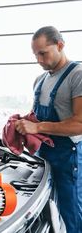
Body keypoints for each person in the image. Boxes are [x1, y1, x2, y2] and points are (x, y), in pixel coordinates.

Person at [15, 26, 82, 233]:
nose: (39, 60)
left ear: (60, 45)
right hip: (44, 156)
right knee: (47, 212)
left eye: (43, 53)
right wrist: (22, 123)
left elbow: (80, 124)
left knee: (72, 212)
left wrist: (37, 126)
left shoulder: (77, 75)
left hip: (68, 157)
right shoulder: (40, 80)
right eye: (36, 55)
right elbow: (37, 116)